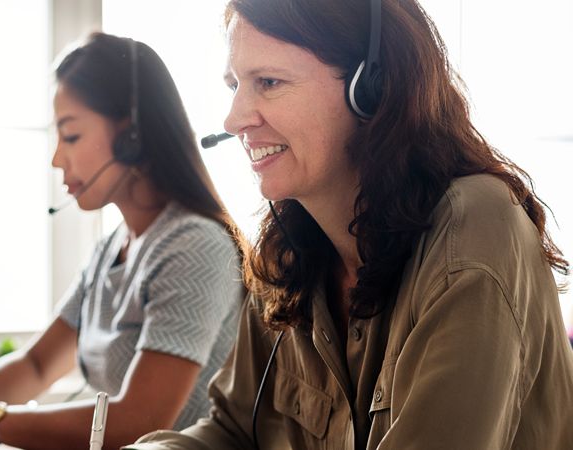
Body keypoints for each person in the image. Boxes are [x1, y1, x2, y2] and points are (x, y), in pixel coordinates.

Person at [129, 0, 573, 449]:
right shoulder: (289, 251)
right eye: (234, 85)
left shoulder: (474, 228)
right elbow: (232, 432)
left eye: (269, 82)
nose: (234, 118)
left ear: (371, 88)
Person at [0, 32, 249, 449]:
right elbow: (38, 364)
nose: (57, 159)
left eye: (72, 136)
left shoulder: (194, 245)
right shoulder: (111, 249)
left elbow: (137, 421)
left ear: (132, 136)